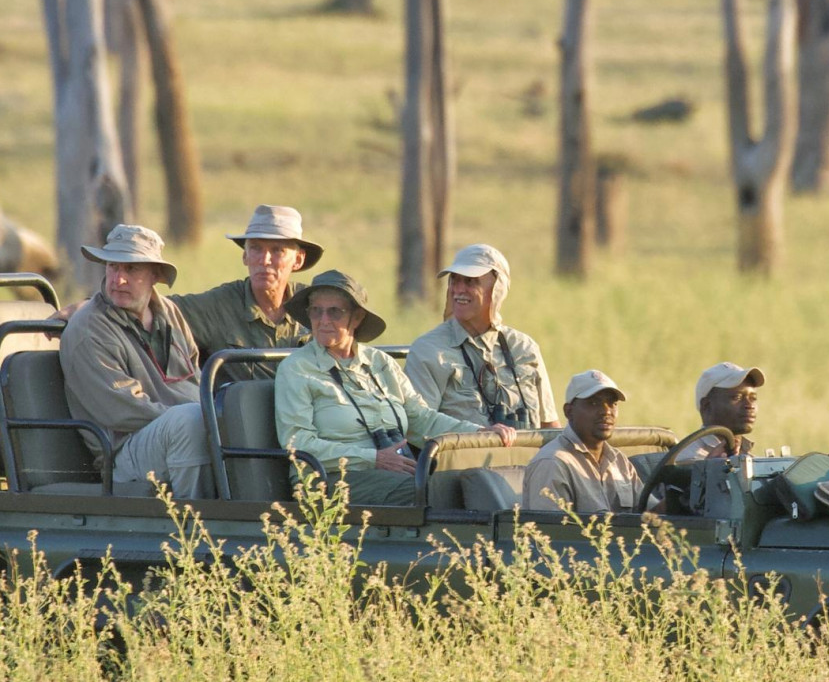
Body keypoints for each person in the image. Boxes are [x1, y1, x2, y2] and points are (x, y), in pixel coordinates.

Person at [275, 269, 512, 507]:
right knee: (432, 492)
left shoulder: (380, 362)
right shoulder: (296, 369)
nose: (324, 320)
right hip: (326, 478)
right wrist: (374, 459)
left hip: (391, 472)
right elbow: (299, 443)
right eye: (316, 311)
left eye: (334, 312)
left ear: (356, 318)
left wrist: (479, 432)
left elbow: (421, 419)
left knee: (471, 482)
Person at [59, 224, 212, 499]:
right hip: (122, 453)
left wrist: (218, 417)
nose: (118, 280)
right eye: (112, 267)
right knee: (190, 422)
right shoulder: (89, 329)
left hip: (173, 430)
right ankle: (195, 527)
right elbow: (122, 410)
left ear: (155, 274)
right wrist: (201, 417)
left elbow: (194, 376)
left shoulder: (169, 313)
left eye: (131, 269)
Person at [406, 243, 558, 431]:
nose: (459, 289)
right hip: (462, 459)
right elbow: (418, 425)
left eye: (471, 281)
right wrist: (479, 434)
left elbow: (549, 425)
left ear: (497, 289)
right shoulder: (429, 350)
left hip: (528, 459)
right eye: (454, 280)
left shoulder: (524, 348)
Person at [167, 204, 321, 376]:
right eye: (256, 248)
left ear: (298, 260)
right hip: (237, 402)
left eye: (277, 250)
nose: (265, 260)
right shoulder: (217, 306)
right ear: (245, 256)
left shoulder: (318, 305)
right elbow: (157, 310)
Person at [521, 370, 643, 515]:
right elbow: (551, 533)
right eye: (593, 403)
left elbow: (651, 514)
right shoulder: (552, 463)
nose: (606, 411)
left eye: (612, 404)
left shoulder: (619, 461)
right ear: (569, 411)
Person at [674, 362, 764, 464]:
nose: (750, 405)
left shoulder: (748, 457)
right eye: (737, 397)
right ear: (706, 406)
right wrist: (708, 468)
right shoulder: (685, 460)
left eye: (753, 398)